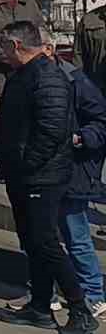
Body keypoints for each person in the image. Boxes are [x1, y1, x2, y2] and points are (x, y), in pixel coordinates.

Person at [0, 20, 97, 334]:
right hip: (22, 173)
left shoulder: (48, 76)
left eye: (4, 47)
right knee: (31, 241)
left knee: (46, 242)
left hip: (43, 175)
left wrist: (27, 164)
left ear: (16, 47)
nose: (2, 54)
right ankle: (40, 305)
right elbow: (12, 124)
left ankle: (80, 308)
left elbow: (52, 131)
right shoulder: (21, 76)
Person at [56, 40, 106, 316]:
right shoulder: (24, 76)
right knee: (45, 237)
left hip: (73, 169)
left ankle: (94, 293)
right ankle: (46, 291)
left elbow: (100, 121)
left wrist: (80, 138)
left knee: (76, 234)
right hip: (43, 170)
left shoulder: (75, 80)